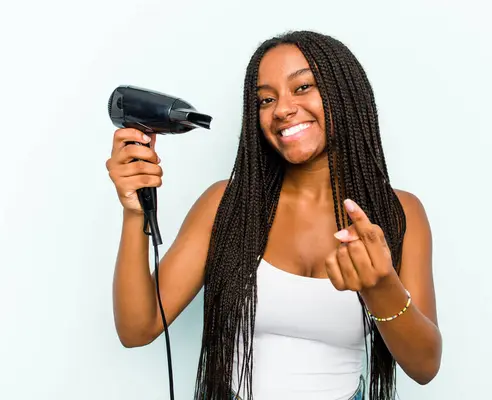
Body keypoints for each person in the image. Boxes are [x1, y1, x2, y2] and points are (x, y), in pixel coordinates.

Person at [105, 30, 442, 400]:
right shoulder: (226, 204)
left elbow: (424, 367)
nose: (281, 109)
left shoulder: (399, 214)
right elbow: (138, 328)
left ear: (345, 94)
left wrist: (381, 287)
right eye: (266, 99)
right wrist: (135, 213)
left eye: (302, 88)